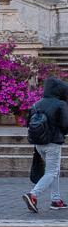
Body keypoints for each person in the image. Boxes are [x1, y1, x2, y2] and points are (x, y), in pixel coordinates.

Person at [23, 76, 68, 213]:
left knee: (54, 171)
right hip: (53, 143)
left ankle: (56, 200)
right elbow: (65, 126)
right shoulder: (60, 104)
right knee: (52, 172)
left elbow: (27, 123)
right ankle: (33, 195)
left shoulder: (36, 104)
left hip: (38, 143)